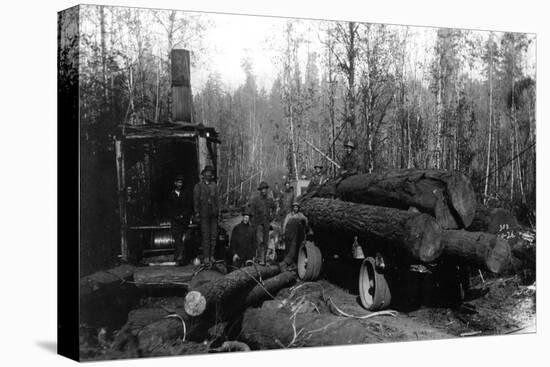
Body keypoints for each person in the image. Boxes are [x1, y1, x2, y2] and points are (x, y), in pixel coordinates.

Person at [193, 165, 219, 264]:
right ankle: (206, 256)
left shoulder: (214, 186)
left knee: (213, 236)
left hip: (213, 215)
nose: (208, 174)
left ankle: (212, 255)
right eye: (207, 173)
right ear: (203, 174)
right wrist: (197, 214)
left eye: (210, 173)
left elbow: (217, 201)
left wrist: (217, 212)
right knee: (205, 236)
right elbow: (195, 201)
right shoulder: (198, 186)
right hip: (203, 215)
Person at [248, 181, 277, 264]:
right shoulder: (256, 200)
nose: (263, 191)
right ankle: (260, 258)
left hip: (266, 223)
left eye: (265, 189)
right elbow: (251, 211)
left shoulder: (270, 199)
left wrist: (272, 217)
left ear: (266, 190)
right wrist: (253, 222)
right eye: (262, 189)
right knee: (259, 241)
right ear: (260, 190)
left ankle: (263, 258)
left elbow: (274, 207)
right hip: (258, 224)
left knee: (265, 241)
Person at [168, 174, 193, 265]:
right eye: (178, 182)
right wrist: (175, 216)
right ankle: (179, 257)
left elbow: (189, 207)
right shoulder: (171, 195)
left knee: (183, 238)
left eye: (181, 182)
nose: (180, 184)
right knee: (177, 238)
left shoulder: (186, 194)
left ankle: (180, 258)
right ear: (175, 183)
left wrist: (183, 215)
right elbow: (169, 208)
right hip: (175, 220)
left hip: (183, 220)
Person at [280, 202, 308, 270]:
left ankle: (293, 263)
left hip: (297, 236)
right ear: (292, 208)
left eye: (296, 207)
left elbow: (306, 221)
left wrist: (303, 220)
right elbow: (285, 224)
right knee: (288, 248)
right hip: (289, 234)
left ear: (298, 208)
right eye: (294, 207)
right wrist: (283, 233)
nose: (295, 208)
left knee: (295, 248)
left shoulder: (300, 215)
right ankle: (287, 263)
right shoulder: (289, 215)